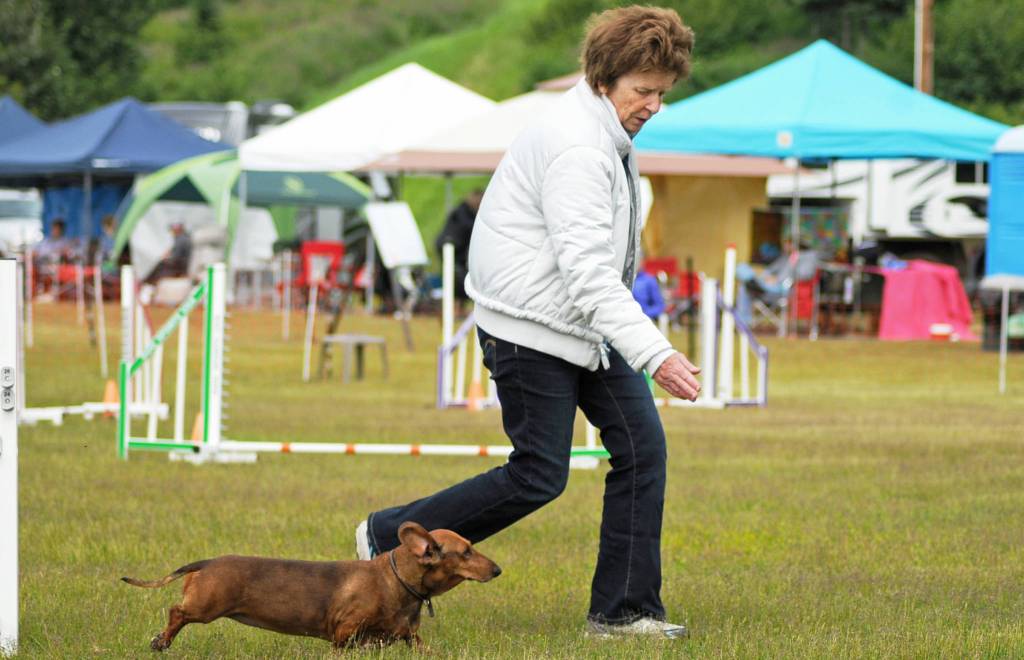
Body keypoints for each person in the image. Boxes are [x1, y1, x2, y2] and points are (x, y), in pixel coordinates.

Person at [356, 6, 700, 639]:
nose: (654, 104)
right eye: (644, 91)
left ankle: (624, 613)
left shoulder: (606, 132)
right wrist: (658, 354)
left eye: (662, 92)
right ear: (605, 79)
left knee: (642, 448)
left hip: (583, 327)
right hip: (530, 327)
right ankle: (386, 534)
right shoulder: (577, 146)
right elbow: (588, 273)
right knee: (539, 474)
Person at [434, 189, 483, 307]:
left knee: (458, 279)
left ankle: (458, 307)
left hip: (456, 251)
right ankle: (456, 308)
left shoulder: (462, 211)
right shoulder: (462, 213)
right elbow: (468, 228)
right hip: (452, 250)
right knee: (456, 281)